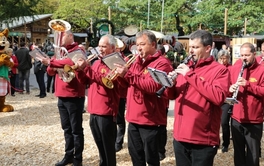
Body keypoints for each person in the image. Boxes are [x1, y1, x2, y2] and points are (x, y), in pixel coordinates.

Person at [166, 30, 230, 166]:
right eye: (190, 47)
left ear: (208, 48)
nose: (191, 51)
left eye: (195, 47)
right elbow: (173, 96)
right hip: (180, 136)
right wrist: (169, 84)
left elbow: (218, 97)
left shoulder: (220, 70)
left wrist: (190, 76)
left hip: (202, 140)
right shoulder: (186, 67)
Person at [114, 30, 173, 166]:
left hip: (150, 120)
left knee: (151, 159)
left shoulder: (162, 63)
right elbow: (127, 85)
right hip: (133, 118)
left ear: (153, 44)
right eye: (137, 44)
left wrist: (127, 74)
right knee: (136, 157)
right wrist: (120, 76)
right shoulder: (135, 62)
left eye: (142, 44)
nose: (138, 48)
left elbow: (152, 87)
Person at [41, 30, 87, 166]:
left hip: (74, 95)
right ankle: (69, 155)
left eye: (62, 35)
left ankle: (78, 159)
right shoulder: (59, 51)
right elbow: (50, 71)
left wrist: (51, 62)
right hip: (61, 94)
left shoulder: (78, 50)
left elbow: (68, 61)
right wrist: (52, 64)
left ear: (70, 36)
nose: (59, 38)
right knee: (66, 128)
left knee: (76, 129)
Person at [76, 34, 121, 166]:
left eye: (104, 46)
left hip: (106, 111)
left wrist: (86, 68)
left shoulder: (115, 63)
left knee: (108, 148)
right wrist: (79, 70)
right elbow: (86, 81)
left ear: (112, 48)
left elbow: (104, 80)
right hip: (94, 110)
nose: (100, 49)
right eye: (99, 46)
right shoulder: (97, 62)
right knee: (100, 146)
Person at [230, 43, 264, 166]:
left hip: (254, 120)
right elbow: (225, 86)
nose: (244, 58)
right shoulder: (235, 68)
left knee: (253, 154)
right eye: (242, 55)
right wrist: (230, 88)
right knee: (238, 152)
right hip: (236, 118)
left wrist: (248, 85)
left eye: (247, 55)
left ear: (255, 54)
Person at [217, 50, 232, 153]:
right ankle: (215, 141)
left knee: (224, 122)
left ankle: (225, 143)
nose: (223, 60)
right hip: (216, 98)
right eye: (221, 58)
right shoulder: (215, 68)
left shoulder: (231, 69)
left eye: (225, 58)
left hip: (227, 99)